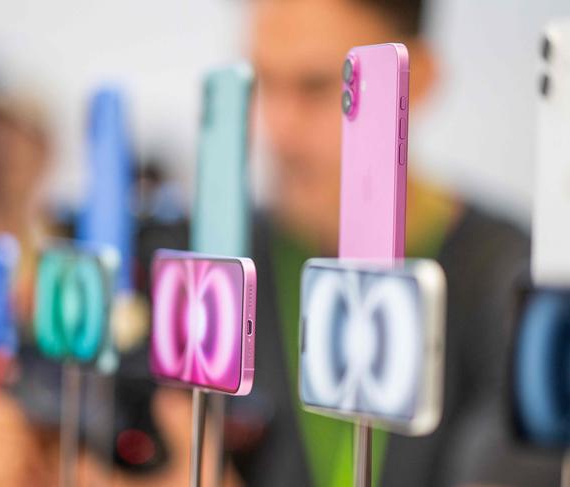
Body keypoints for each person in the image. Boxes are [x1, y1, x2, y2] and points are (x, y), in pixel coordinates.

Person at [229, 0, 563, 485]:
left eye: (321, 87)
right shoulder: (232, 259)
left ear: (418, 79)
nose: (277, 128)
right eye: (261, 82)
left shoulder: (513, 277)